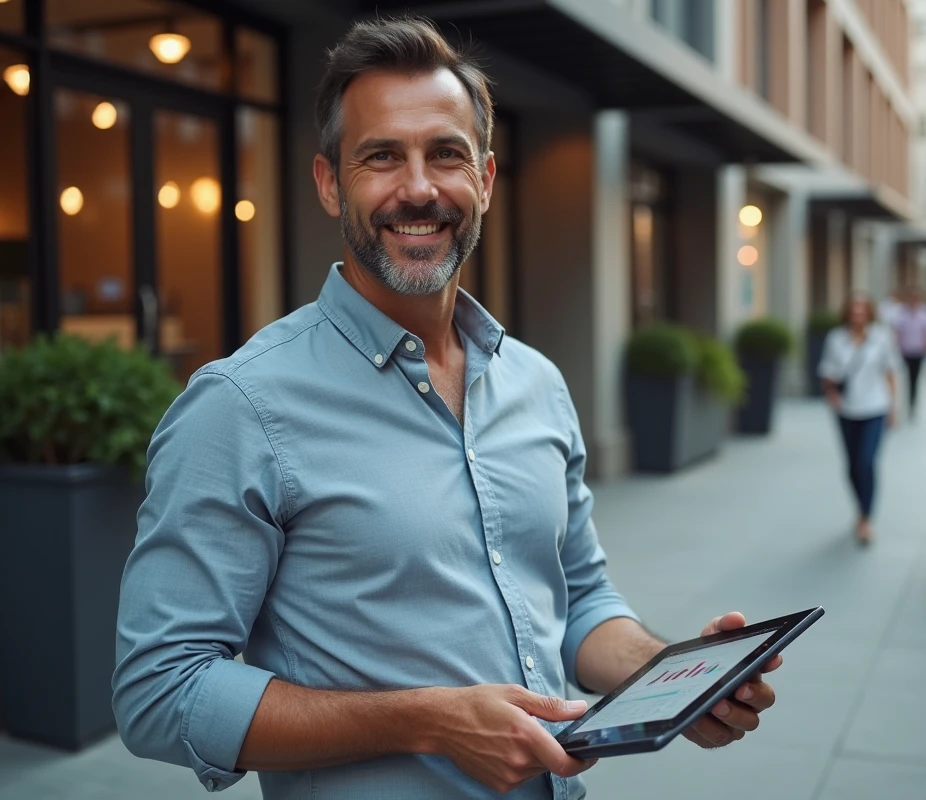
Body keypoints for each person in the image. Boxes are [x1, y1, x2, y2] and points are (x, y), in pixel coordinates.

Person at [111, 17, 783, 800]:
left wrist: (671, 678)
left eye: (446, 154)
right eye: (382, 157)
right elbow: (159, 691)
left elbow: (578, 598)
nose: (420, 189)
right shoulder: (241, 406)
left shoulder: (536, 383)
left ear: (487, 180)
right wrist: (426, 720)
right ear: (330, 182)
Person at [818, 294, 902, 545]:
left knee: (867, 461)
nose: (857, 315)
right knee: (852, 465)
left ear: (869, 313)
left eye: (861, 310)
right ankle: (860, 505)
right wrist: (831, 393)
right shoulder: (835, 338)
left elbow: (890, 371)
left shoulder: (881, 337)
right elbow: (827, 372)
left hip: (875, 407)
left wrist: (893, 407)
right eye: (853, 310)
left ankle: (866, 516)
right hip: (847, 409)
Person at [890, 287, 926, 419]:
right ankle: (904, 403)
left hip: (918, 351)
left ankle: (912, 404)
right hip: (904, 351)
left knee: (914, 379)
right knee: (904, 378)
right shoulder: (901, 313)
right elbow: (897, 332)